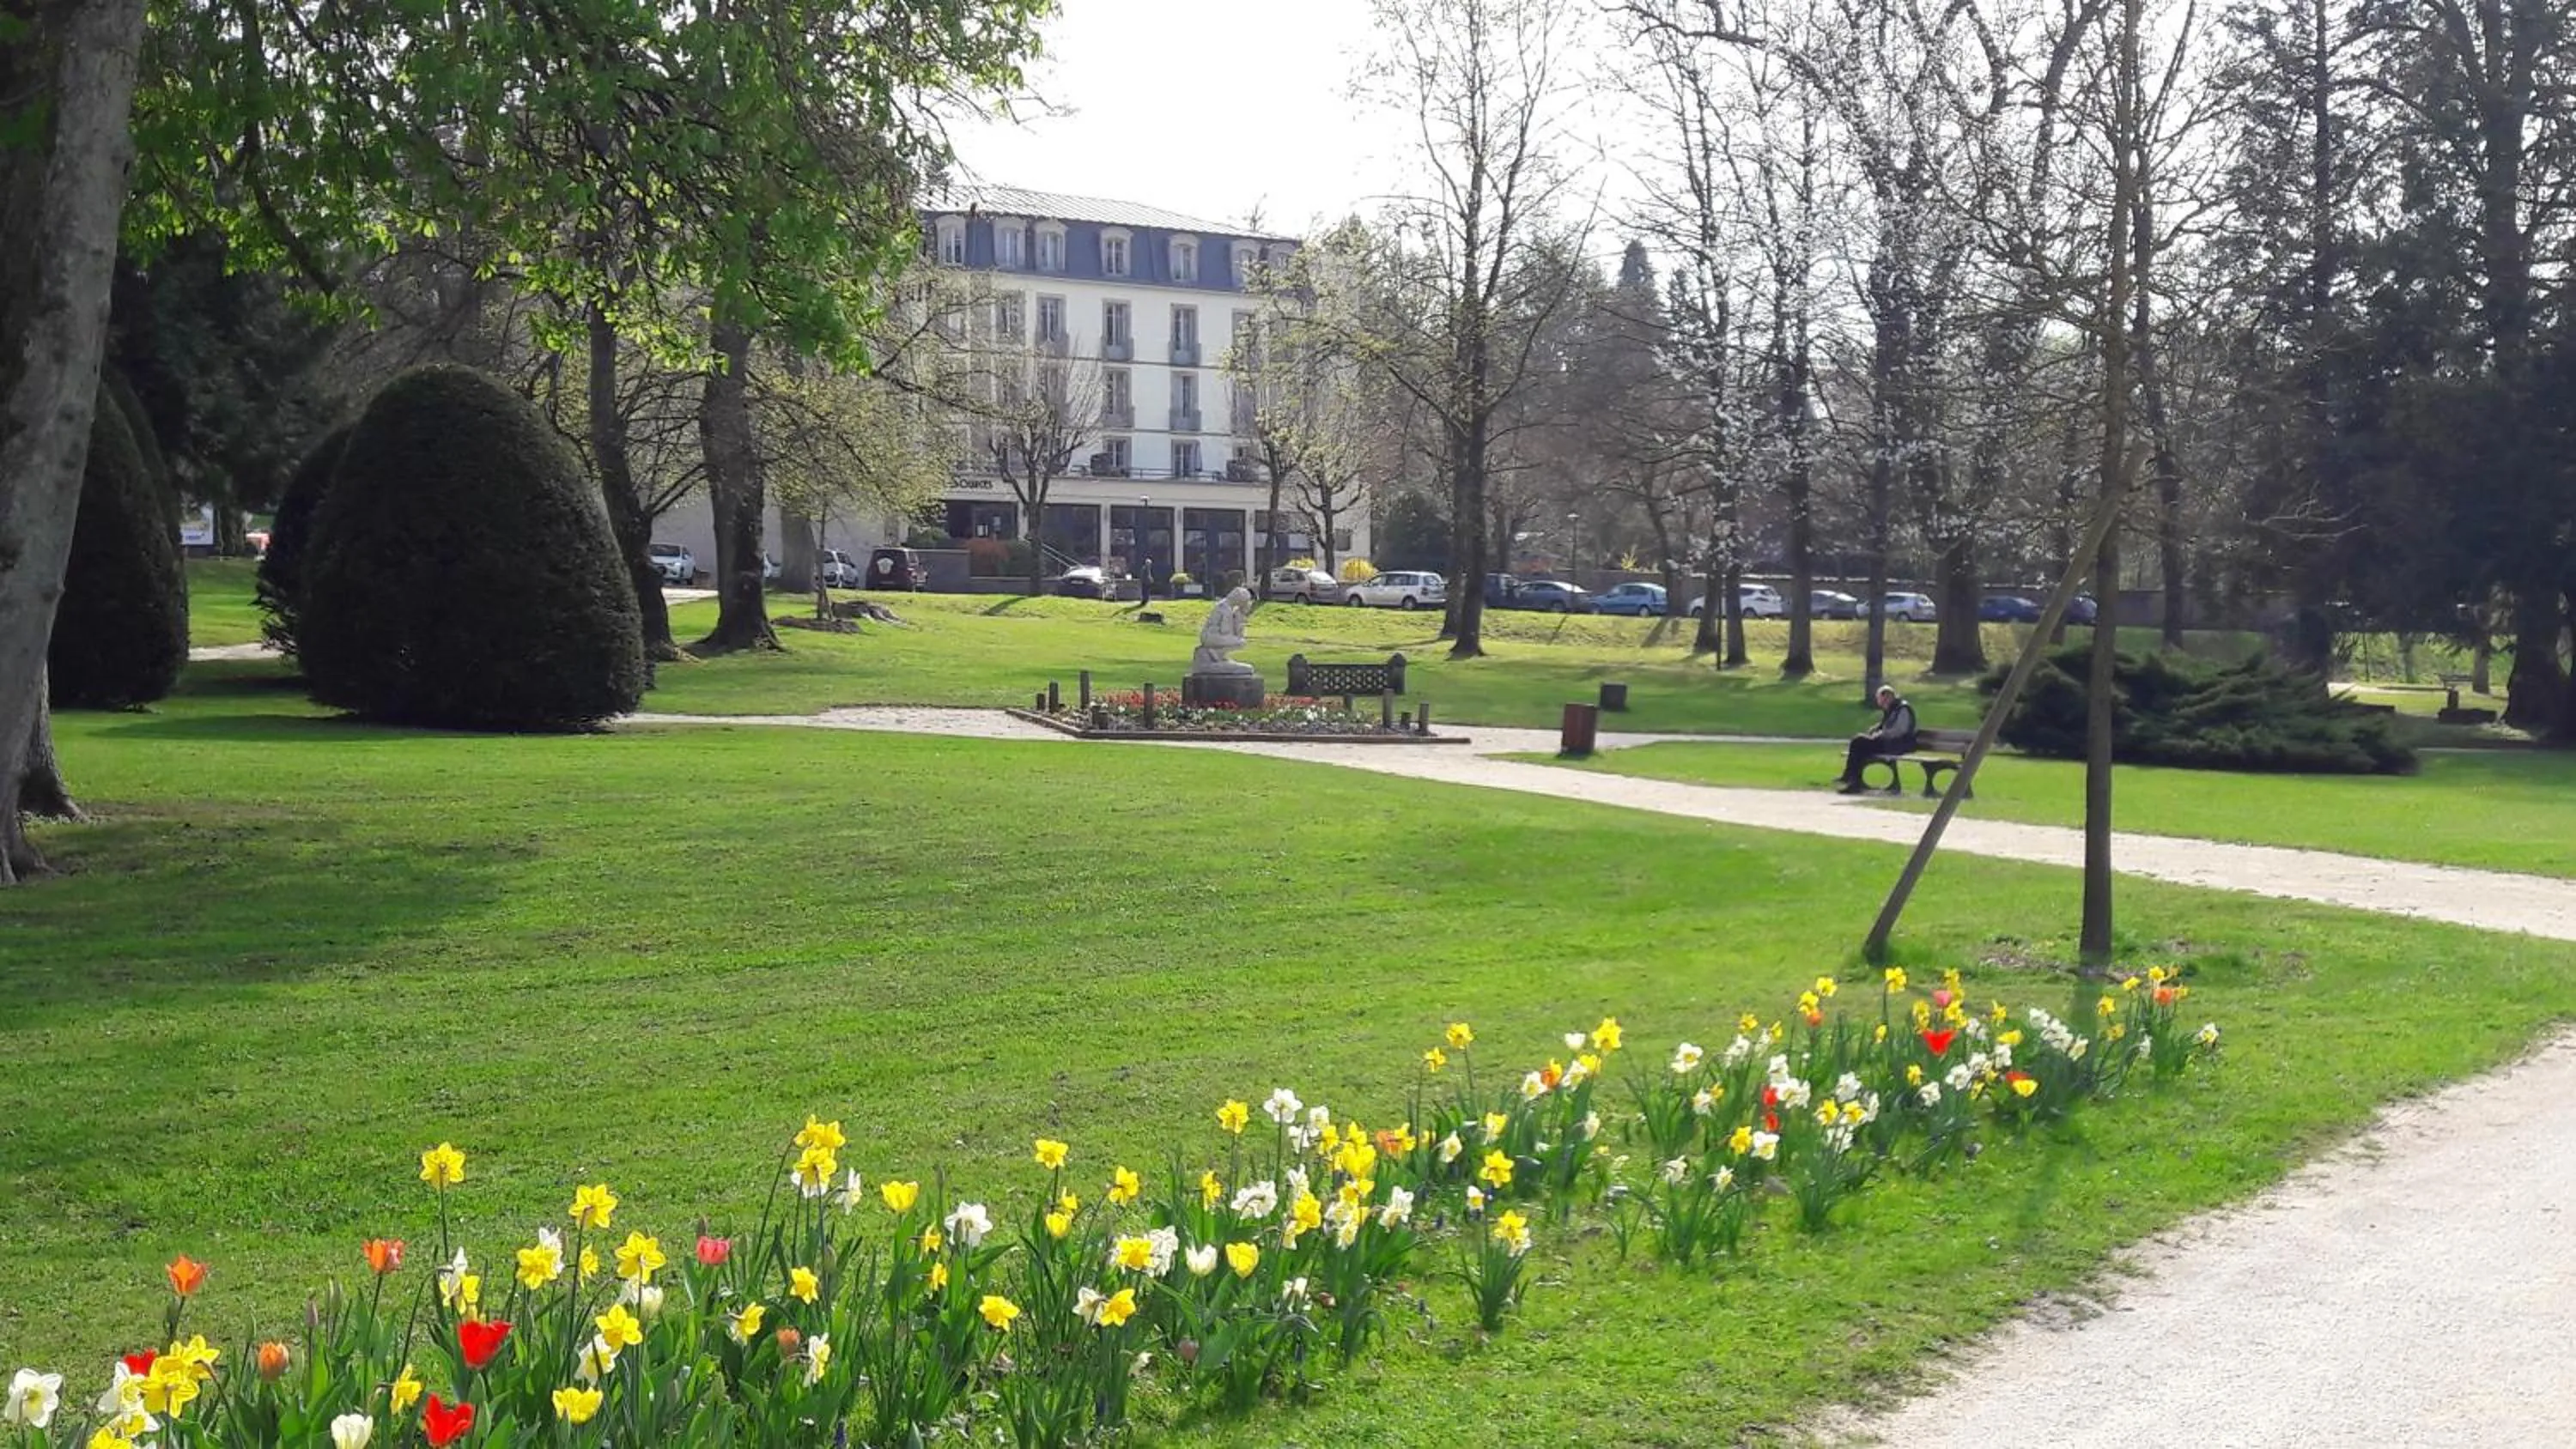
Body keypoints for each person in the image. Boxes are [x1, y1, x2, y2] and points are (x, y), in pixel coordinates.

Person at [1838, 685, 1917, 793]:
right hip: (1889, 743)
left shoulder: (1902, 709)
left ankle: (1851, 779)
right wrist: (1875, 729)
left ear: (1889, 697)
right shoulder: (1892, 708)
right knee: (1859, 746)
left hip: (1897, 745)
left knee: (1858, 742)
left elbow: (1900, 730)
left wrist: (1881, 734)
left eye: (1882, 699)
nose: (1880, 702)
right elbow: (1885, 724)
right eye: (1880, 700)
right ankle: (1853, 780)